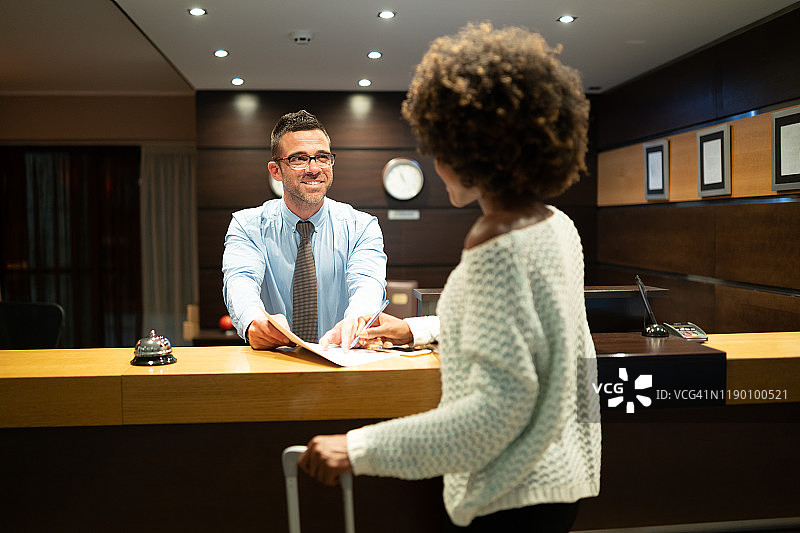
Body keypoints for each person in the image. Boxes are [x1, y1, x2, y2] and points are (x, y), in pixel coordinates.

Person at [300, 23, 601, 532]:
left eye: (440, 145)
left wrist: (356, 447)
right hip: (564, 477)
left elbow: (491, 416)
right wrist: (416, 329)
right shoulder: (556, 225)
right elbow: (526, 332)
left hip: (511, 495)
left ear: (470, 149)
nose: (437, 162)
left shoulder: (495, 245)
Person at [222, 110, 387, 348]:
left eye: (322, 157)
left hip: (341, 358)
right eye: (298, 158)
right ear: (275, 171)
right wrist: (253, 322)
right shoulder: (247, 226)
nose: (314, 168)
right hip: (274, 361)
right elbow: (241, 281)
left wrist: (356, 321)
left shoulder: (362, 227)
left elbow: (367, 283)